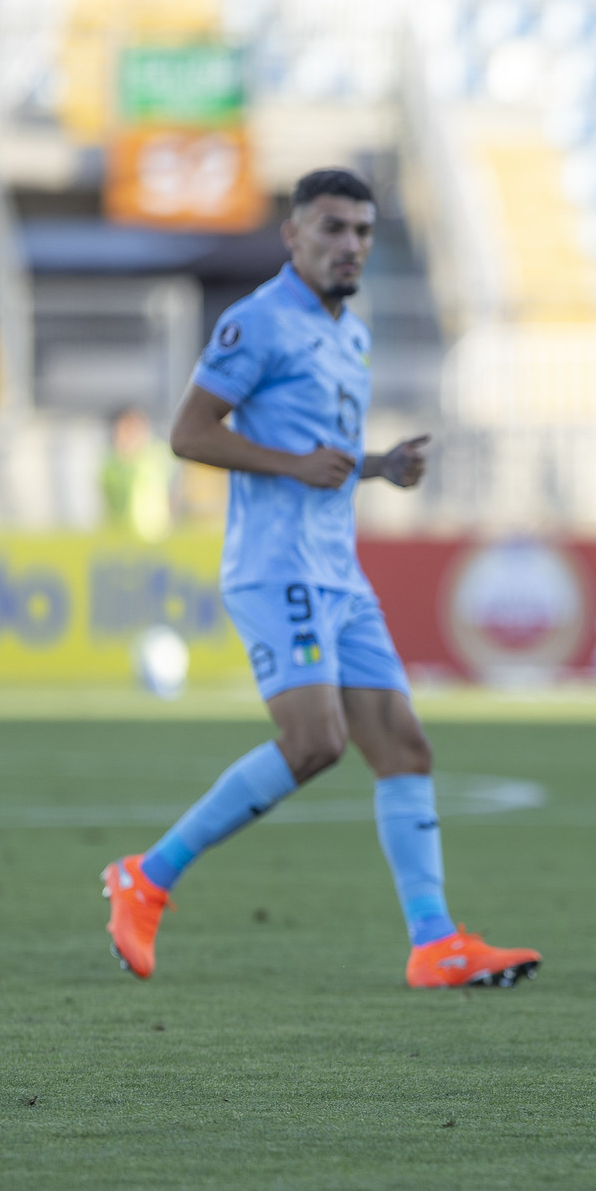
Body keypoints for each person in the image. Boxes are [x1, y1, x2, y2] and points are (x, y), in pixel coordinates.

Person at [98, 168, 541, 990]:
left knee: (404, 745)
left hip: (340, 571)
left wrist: (378, 467)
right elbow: (189, 434)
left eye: (364, 232)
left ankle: (435, 940)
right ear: (292, 235)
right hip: (275, 567)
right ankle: (147, 876)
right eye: (333, 229)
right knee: (314, 742)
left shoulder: (353, 335)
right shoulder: (256, 322)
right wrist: (290, 464)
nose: (351, 246)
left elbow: (320, 458)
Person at [100, 406, 176, 543]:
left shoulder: (157, 455)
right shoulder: (109, 463)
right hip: (119, 538)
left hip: (155, 537)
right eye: (125, 428)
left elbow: (172, 493)